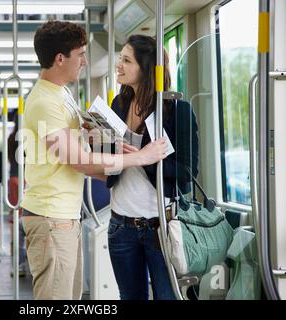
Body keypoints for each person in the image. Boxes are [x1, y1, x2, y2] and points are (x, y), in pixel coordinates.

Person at [21, 21, 168, 300]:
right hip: (51, 218)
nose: (85, 62)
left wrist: (94, 137)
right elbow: (78, 161)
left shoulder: (62, 94)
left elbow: (76, 153)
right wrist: (140, 157)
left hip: (64, 216)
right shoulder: (44, 102)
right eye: (81, 55)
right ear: (60, 58)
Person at [99, 35, 199, 300]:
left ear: (145, 68)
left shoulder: (177, 110)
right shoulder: (118, 106)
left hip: (161, 229)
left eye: (126, 60)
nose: (118, 65)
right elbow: (111, 162)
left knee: (167, 296)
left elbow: (189, 170)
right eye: (119, 59)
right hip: (121, 225)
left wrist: (149, 158)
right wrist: (99, 140)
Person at [7, 118, 28, 277]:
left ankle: (17, 264)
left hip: (14, 178)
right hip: (28, 178)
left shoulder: (10, 137)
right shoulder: (30, 136)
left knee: (16, 220)